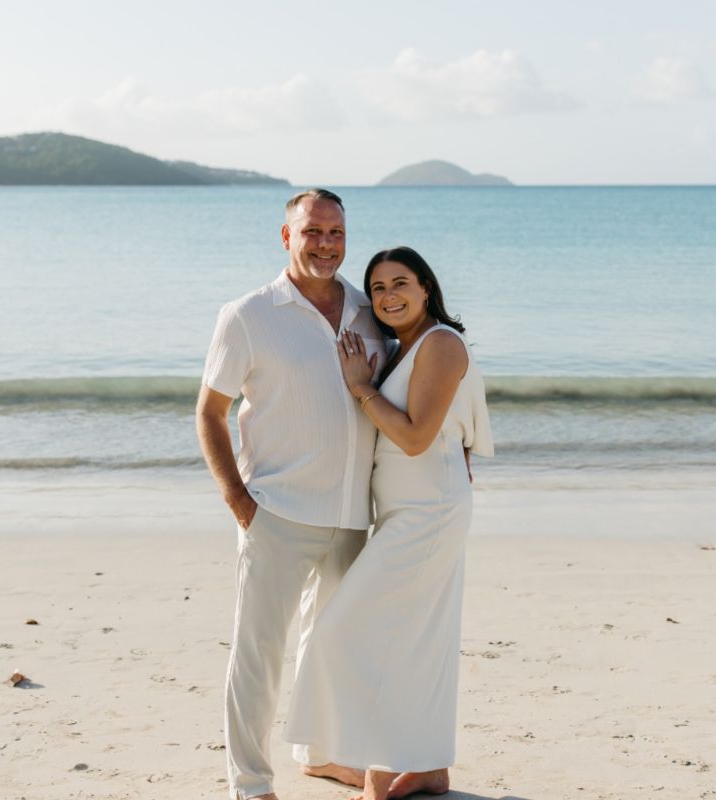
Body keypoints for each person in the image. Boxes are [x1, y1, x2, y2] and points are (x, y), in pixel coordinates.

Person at [195, 189, 386, 800]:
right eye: (312, 232)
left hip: (352, 515)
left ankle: (320, 754)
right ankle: (250, 784)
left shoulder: (370, 310)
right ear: (287, 237)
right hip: (276, 513)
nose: (326, 244)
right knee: (259, 655)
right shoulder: (248, 315)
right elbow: (209, 412)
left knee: (330, 648)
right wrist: (238, 501)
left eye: (336, 233)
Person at [284, 246, 494, 800]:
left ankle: (377, 770)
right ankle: (428, 766)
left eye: (400, 283)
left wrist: (361, 389)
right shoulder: (403, 350)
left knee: (350, 631)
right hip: (406, 510)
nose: (388, 296)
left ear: (426, 287)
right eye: (377, 288)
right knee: (419, 639)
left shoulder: (441, 343)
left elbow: (416, 437)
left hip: (429, 513)